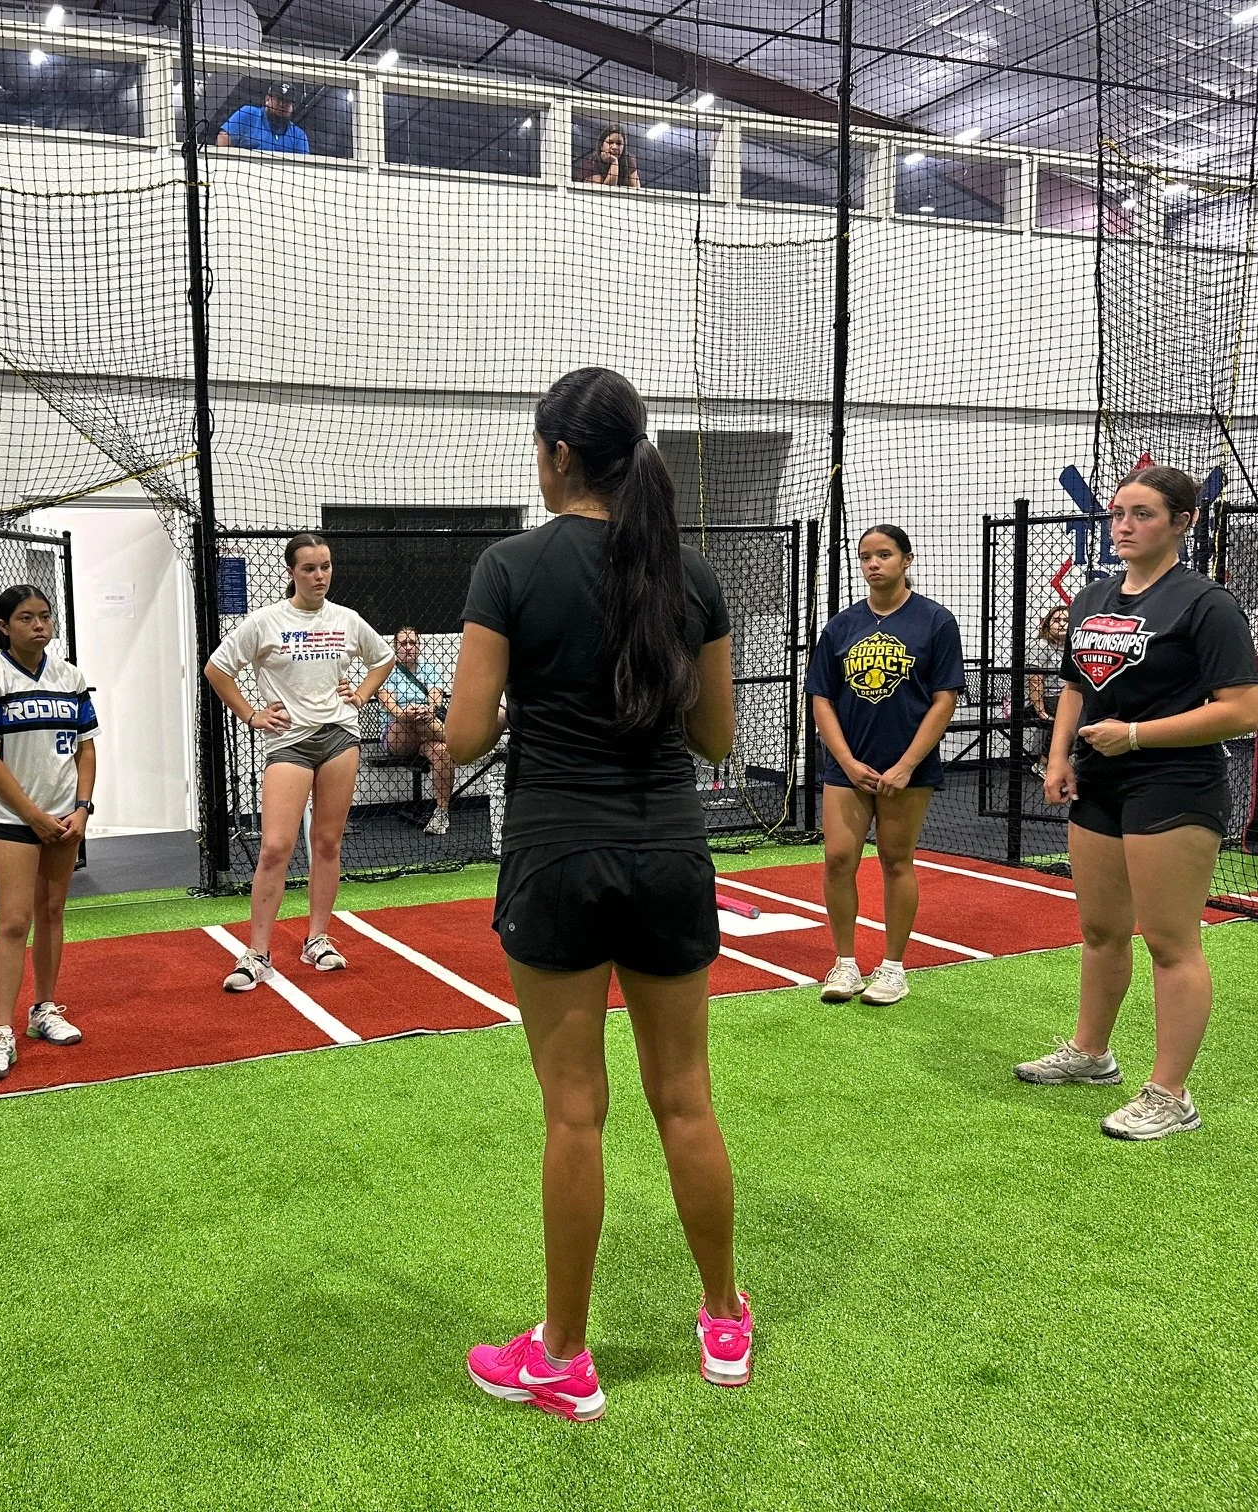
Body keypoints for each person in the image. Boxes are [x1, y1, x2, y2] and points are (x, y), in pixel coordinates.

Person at [448, 367, 744, 1423]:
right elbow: (715, 739)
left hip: (557, 857)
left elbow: (470, 734)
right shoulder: (692, 574)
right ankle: (723, 1320)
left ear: (559, 456)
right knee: (686, 1100)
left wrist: (453, 716)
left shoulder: (510, 565)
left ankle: (565, 1358)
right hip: (669, 854)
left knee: (576, 1115)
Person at [1016, 466, 1258, 1140]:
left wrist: (1135, 735)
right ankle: (1092, 1055)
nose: (1123, 525)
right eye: (1118, 513)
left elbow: (1242, 711)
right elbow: (1073, 685)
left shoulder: (1206, 604)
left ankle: (1170, 1095)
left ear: (1183, 522)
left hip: (1175, 786)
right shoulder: (1095, 596)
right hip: (1101, 781)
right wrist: (1060, 755)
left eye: (1142, 514)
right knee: (1100, 930)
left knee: (1171, 942)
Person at [204, 534, 394, 991]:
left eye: (326, 566)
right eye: (309, 568)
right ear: (291, 572)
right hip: (288, 743)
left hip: (339, 738)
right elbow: (216, 669)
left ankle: (318, 939)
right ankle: (257, 953)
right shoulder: (264, 622)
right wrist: (252, 714)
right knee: (275, 847)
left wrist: (362, 694)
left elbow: (382, 658)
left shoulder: (346, 620)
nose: (319, 576)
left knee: (327, 843)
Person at [807, 524, 966, 1008]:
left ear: (906, 560)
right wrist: (848, 762)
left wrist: (905, 765)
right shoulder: (841, 626)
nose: (873, 564)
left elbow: (944, 699)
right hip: (848, 769)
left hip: (907, 771)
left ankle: (893, 968)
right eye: (866, 557)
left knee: (896, 861)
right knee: (838, 859)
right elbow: (820, 698)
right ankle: (846, 963)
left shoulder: (935, 622)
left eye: (884, 555)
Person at [0, 584, 98, 1083]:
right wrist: (34, 815)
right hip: (14, 821)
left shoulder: (71, 677)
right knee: (14, 922)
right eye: (25, 618)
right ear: (4, 627)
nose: (38, 625)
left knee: (53, 912)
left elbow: (86, 748)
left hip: (66, 820)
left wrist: (81, 809)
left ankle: (44, 1009)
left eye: (45, 616)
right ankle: (1, 1031)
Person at [376, 625, 456, 836]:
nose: (409, 647)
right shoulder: (388, 670)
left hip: (428, 730)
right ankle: (463, 742)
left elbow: (436, 696)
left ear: (419, 647)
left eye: (413, 643)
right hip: (398, 732)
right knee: (414, 718)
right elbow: (389, 705)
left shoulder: (429, 669)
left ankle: (441, 813)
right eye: (404, 643)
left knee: (442, 751)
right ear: (396, 647)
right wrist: (407, 713)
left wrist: (429, 709)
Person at [1025, 605, 1070, 774]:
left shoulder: (1070, 646)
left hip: (1062, 696)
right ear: (1047, 624)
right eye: (1057, 620)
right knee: (1067, 713)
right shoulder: (1040, 646)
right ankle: (1044, 762)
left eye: (1066, 620)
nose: (1062, 624)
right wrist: (1041, 711)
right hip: (1040, 700)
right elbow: (1034, 681)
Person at [216, 83, 311, 154]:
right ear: (267, 100)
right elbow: (223, 138)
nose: (282, 105)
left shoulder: (298, 135)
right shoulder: (248, 113)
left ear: (293, 107)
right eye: (278, 99)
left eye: (287, 102)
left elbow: (304, 166)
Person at [574, 125, 640, 188]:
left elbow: (636, 190)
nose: (615, 147)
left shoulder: (629, 161)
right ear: (601, 145)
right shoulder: (590, 163)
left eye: (619, 143)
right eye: (610, 142)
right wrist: (614, 163)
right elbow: (603, 193)